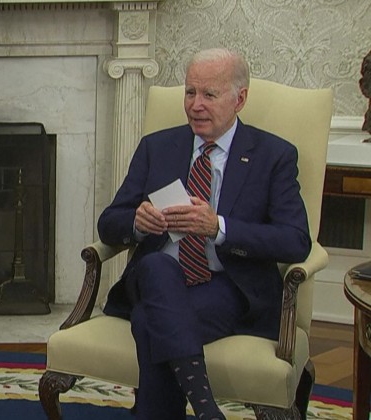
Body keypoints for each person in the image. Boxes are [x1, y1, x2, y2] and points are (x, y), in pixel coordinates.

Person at [98, 48, 311, 420]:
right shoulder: (157, 147)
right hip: (156, 278)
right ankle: (206, 409)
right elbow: (109, 223)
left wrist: (219, 228)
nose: (195, 105)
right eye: (190, 92)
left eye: (209, 95)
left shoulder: (273, 155)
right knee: (157, 267)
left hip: (226, 286)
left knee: (149, 322)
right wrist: (138, 221)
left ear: (239, 99)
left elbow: (295, 240)